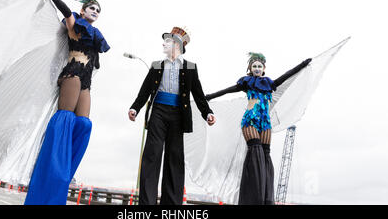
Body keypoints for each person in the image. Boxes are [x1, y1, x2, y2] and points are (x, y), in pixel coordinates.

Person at [24, 0, 110, 205]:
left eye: (98, 10)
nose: (95, 12)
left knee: (84, 124)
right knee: (65, 120)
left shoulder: (95, 37)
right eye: (91, 8)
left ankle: (63, 177)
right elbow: (65, 12)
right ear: (82, 11)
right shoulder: (75, 25)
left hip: (86, 81)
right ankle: (54, 173)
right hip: (72, 74)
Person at [205, 52, 311, 205]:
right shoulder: (246, 82)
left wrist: (302, 65)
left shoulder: (269, 83)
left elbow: (287, 76)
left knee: (265, 155)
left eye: (259, 66)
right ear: (250, 68)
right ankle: (252, 198)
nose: (256, 68)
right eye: (254, 66)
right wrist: (209, 96)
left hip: (265, 122)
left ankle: (266, 198)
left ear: (263, 68)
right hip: (250, 120)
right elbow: (227, 90)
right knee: (255, 151)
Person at [128, 26, 216, 205]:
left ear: (177, 45)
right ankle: (146, 203)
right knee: (152, 154)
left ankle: (171, 205)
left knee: (174, 158)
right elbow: (144, 91)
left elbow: (198, 93)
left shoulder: (190, 67)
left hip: (178, 115)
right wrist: (135, 108)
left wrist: (207, 113)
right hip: (158, 111)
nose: (164, 43)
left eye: (168, 41)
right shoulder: (156, 65)